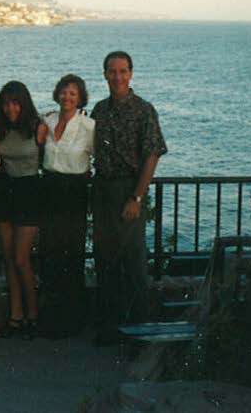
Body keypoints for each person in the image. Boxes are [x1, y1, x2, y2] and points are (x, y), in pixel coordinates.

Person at [90, 51, 167, 346]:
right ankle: (111, 328)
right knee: (105, 260)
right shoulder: (99, 110)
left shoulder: (144, 110)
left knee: (133, 262)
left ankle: (139, 332)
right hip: (102, 190)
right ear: (105, 74)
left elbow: (152, 155)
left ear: (131, 74)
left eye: (123, 71)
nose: (117, 77)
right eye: (112, 71)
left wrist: (137, 197)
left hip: (128, 190)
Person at [39, 74, 94, 339]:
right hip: (49, 188)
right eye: (63, 91)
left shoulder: (89, 126)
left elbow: (101, 158)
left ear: (80, 97)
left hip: (74, 192)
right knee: (50, 252)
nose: (67, 97)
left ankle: (71, 320)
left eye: (72, 93)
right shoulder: (47, 120)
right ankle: (50, 319)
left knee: (71, 254)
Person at [0, 81, 47, 340]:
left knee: (21, 259)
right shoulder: (0, 128)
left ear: (24, 103)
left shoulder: (38, 127)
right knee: (8, 258)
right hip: (5, 191)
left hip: (29, 192)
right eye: (6, 103)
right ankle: (15, 317)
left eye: (15, 103)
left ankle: (33, 316)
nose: (10, 108)